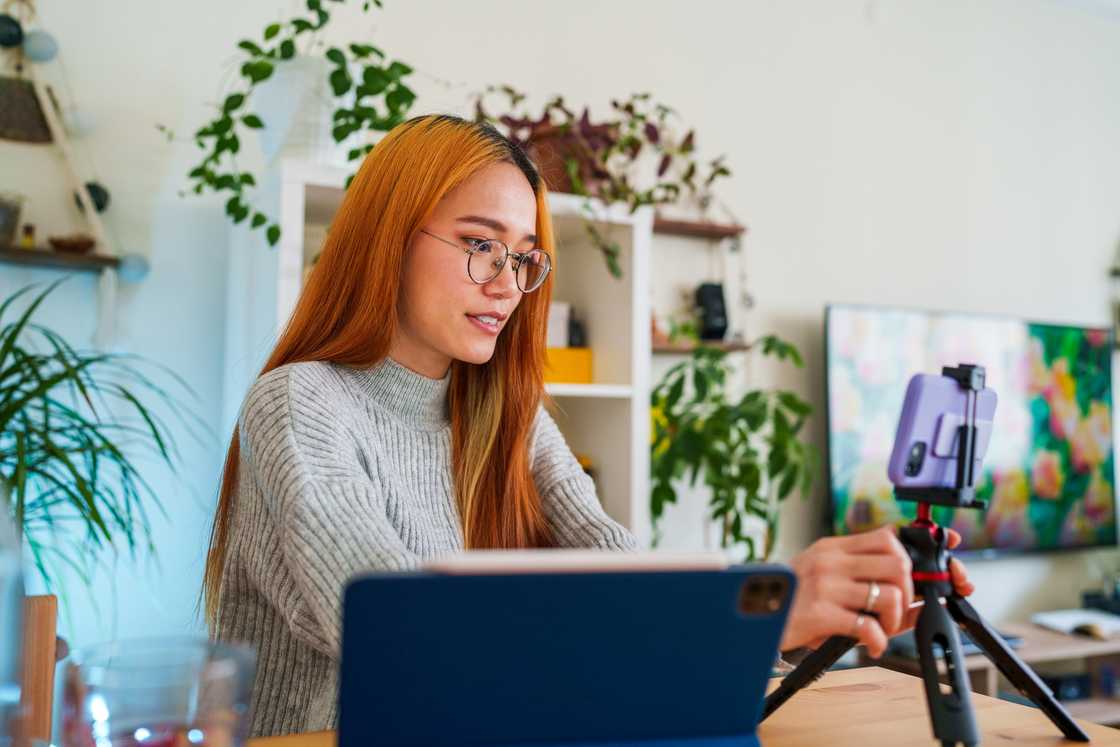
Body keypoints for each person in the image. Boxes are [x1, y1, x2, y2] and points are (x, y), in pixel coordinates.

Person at [202, 114, 974, 737]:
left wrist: (803, 609)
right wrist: (765, 613)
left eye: (524, 257)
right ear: (388, 237)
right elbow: (415, 646)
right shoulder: (300, 403)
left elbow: (623, 578)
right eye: (480, 244)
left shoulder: (507, 416)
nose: (508, 284)